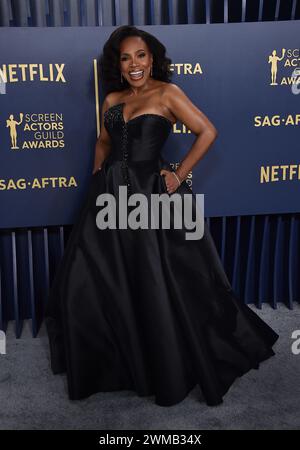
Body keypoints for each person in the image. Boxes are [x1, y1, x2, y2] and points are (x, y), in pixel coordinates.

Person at [45, 25, 279, 407]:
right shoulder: (112, 100)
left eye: (141, 55)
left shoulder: (167, 93)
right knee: (97, 279)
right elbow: (103, 143)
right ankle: (120, 360)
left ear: (152, 58)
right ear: (117, 65)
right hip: (109, 200)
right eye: (126, 57)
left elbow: (207, 131)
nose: (134, 64)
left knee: (155, 279)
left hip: (150, 199)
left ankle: (166, 362)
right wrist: (95, 183)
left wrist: (179, 173)